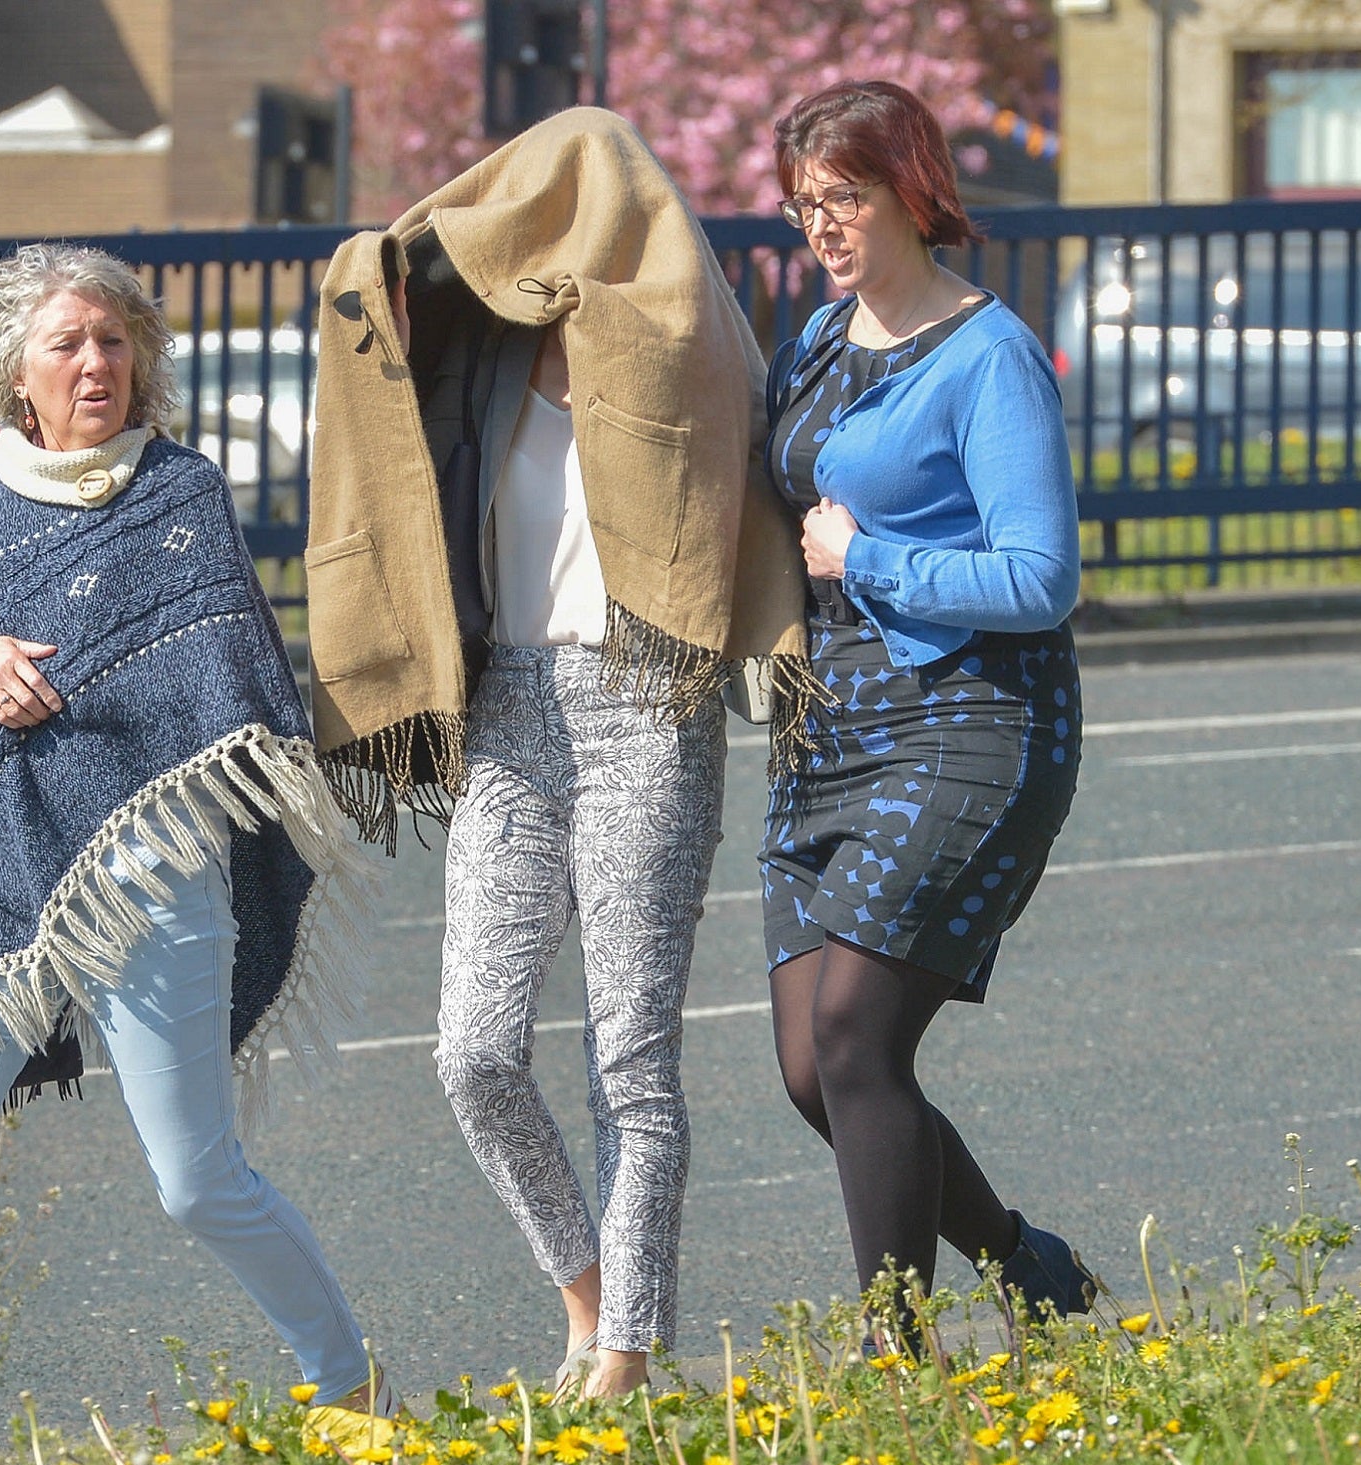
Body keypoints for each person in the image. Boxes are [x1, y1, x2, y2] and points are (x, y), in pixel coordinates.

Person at [0, 242, 393, 1465]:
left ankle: (349, 1383)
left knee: (197, 1184)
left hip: (150, 881)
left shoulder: (180, 495)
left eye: (111, 339)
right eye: (65, 343)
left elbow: (232, 700)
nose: (94, 362)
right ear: (13, 373)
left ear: (141, 355)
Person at [304, 109, 805, 1397]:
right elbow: (391, 346)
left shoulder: (688, 336)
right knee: (472, 1052)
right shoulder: (481, 345)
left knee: (629, 1058)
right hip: (511, 703)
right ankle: (585, 1299)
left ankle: (630, 1348)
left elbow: (758, 464)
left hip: (648, 698)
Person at [757, 82, 1099, 1339]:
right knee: (813, 1073)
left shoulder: (988, 355)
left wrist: (870, 559)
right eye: (804, 207)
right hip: (827, 731)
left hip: (972, 723)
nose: (823, 229)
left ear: (910, 189)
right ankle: (1025, 1264)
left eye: (842, 198)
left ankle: (891, 1360)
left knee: (853, 1037)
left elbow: (1039, 576)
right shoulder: (817, 339)